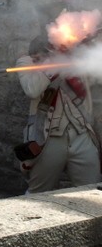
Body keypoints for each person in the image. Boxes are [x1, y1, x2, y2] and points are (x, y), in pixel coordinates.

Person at [15, 34, 101, 193]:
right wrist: (52, 64)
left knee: (92, 191)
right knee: (38, 193)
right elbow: (32, 90)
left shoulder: (74, 58)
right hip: (48, 137)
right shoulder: (26, 63)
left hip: (81, 133)